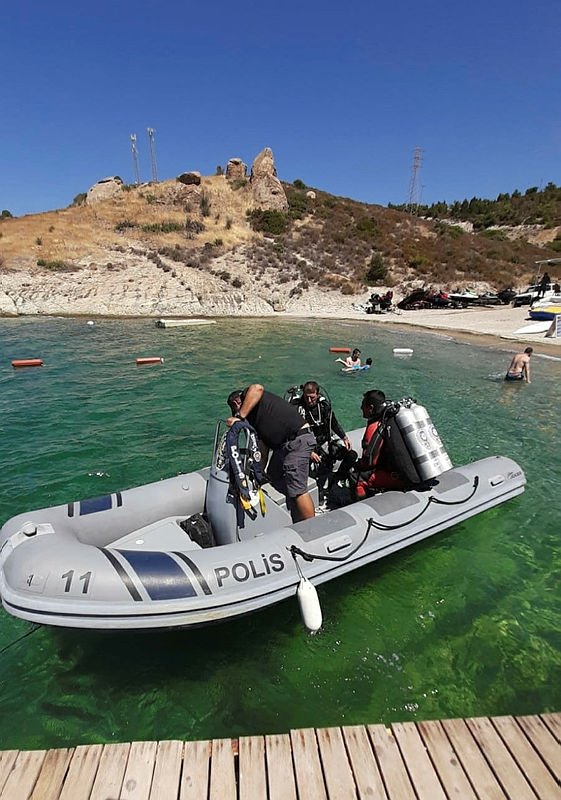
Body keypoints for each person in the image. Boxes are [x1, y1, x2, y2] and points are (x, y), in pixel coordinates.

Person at [226, 384, 316, 521]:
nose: (237, 407)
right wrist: (257, 474)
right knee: (273, 475)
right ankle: (295, 513)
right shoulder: (255, 421)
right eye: (234, 407)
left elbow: (257, 388)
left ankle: (312, 526)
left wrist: (240, 416)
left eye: (237, 403)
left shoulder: (251, 396)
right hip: (283, 446)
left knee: (298, 490)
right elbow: (262, 448)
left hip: (296, 440)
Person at [289, 381, 357, 495]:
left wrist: (344, 437)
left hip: (324, 443)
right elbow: (293, 434)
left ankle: (336, 480)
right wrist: (309, 452)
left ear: (318, 394)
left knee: (351, 455)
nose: (309, 400)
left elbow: (334, 423)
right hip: (305, 446)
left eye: (312, 397)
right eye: (306, 397)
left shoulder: (324, 406)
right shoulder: (298, 409)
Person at [354, 389, 408, 498]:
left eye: (363, 405)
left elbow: (370, 462)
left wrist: (357, 465)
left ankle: (362, 503)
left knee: (356, 477)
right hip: (405, 471)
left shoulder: (377, 426)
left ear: (371, 408)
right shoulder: (391, 419)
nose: (361, 408)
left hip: (396, 476)